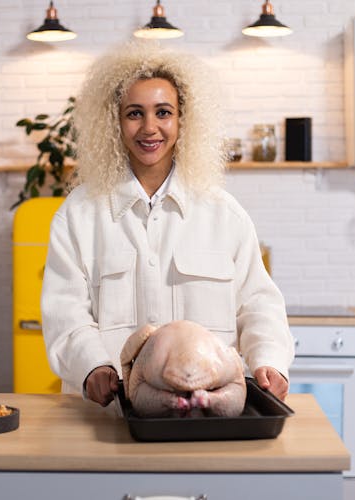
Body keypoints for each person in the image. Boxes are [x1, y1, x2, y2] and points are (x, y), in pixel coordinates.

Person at [40, 41, 294, 408]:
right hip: (108, 416)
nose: (149, 128)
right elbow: (65, 313)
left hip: (207, 413)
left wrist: (270, 360)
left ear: (182, 120)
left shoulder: (225, 214)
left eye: (163, 112)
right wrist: (92, 367)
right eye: (133, 113)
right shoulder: (78, 215)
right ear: (114, 121)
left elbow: (258, 304)